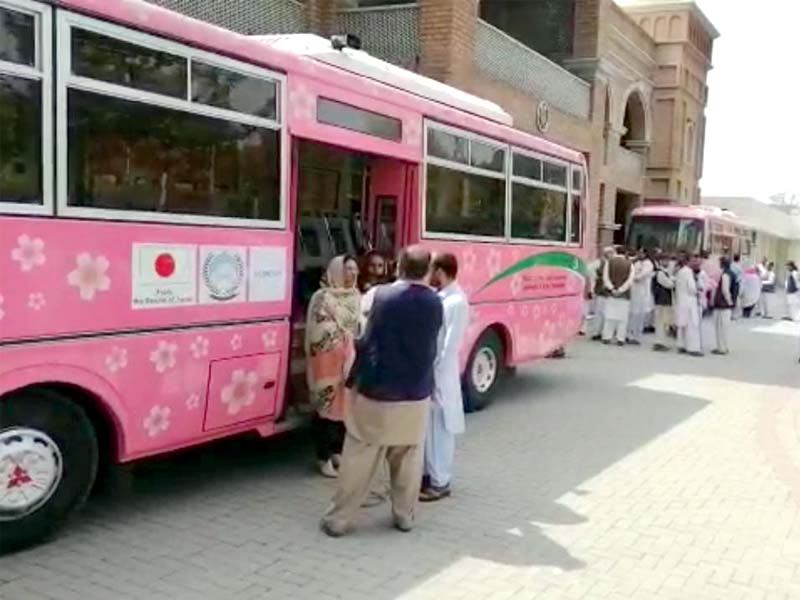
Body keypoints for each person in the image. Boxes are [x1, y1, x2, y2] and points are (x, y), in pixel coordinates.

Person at [321, 246, 443, 537]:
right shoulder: (436, 302)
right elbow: (435, 348)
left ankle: (340, 519)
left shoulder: (377, 295)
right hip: (415, 391)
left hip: (376, 390)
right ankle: (404, 515)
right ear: (427, 270)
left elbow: (359, 336)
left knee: (359, 454)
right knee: (408, 457)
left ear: (398, 265)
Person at [305, 255, 362, 478]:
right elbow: (318, 331)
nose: (353, 274)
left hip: (347, 361)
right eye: (348, 269)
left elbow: (358, 326)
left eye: (355, 270)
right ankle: (323, 457)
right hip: (326, 362)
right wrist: (341, 338)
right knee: (325, 409)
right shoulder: (323, 297)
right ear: (337, 270)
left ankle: (337, 451)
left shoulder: (355, 296)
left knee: (344, 408)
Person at [420, 253, 469, 502]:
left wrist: (435, 375)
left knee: (441, 430)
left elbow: (450, 347)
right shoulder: (442, 297)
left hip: (441, 376)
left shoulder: (457, 302)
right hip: (433, 373)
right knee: (430, 428)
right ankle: (430, 475)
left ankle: (441, 481)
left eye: (433, 270)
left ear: (441, 271)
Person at [601, 248, 635, 346]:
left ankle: (607, 337)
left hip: (611, 295)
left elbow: (605, 277)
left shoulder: (609, 262)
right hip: (624, 296)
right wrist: (621, 290)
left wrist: (612, 289)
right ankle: (620, 338)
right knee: (622, 318)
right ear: (626, 253)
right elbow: (630, 280)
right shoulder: (630, 264)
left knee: (609, 316)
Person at [674, 254, 703, 357]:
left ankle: (681, 345)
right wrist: (698, 291)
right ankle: (693, 348)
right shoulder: (688, 272)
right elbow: (691, 288)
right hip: (689, 301)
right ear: (688, 261)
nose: (694, 263)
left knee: (682, 325)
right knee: (692, 326)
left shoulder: (680, 272)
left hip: (681, 301)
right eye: (692, 261)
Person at [628, 248, 655, 345]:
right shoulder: (636, 263)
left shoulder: (649, 264)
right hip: (634, 291)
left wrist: (633, 277)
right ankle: (629, 335)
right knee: (632, 314)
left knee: (639, 315)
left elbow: (641, 276)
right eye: (638, 252)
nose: (639, 254)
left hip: (642, 293)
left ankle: (636, 336)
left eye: (641, 253)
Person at [588, 247, 616, 340]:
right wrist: (596, 278)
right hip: (601, 291)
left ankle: (603, 332)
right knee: (600, 313)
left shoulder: (610, 262)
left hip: (607, 292)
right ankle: (597, 332)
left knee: (605, 313)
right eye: (610, 253)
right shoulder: (600, 262)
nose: (612, 255)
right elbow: (590, 269)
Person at [712, 256, 736, 355]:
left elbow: (725, 290)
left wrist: (729, 302)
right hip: (724, 305)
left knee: (721, 327)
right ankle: (722, 347)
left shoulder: (726, 275)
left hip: (723, 305)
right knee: (722, 327)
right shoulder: (731, 274)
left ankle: (722, 348)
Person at [652, 253, 675, 352]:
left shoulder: (664, 272)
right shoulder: (660, 273)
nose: (667, 262)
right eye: (665, 260)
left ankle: (661, 342)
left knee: (664, 323)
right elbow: (669, 284)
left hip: (664, 300)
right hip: (662, 301)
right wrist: (673, 281)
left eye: (668, 260)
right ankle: (659, 343)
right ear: (661, 261)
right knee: (661, 323)